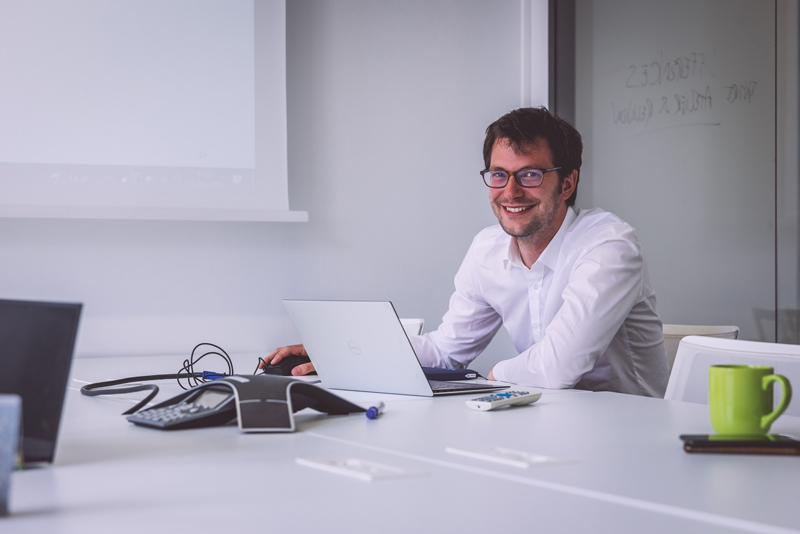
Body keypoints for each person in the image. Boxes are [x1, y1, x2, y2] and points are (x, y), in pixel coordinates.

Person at [264, 107, 669, 397]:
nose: (510, 191)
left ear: (566, 184)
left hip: (628, 429)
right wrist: (338, 347)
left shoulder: (609, 247)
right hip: (549, 420)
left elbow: (558, 368)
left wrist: (494, 374)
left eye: (529, 174)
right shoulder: (487, 250)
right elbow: (445, 350)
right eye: (498, 175)